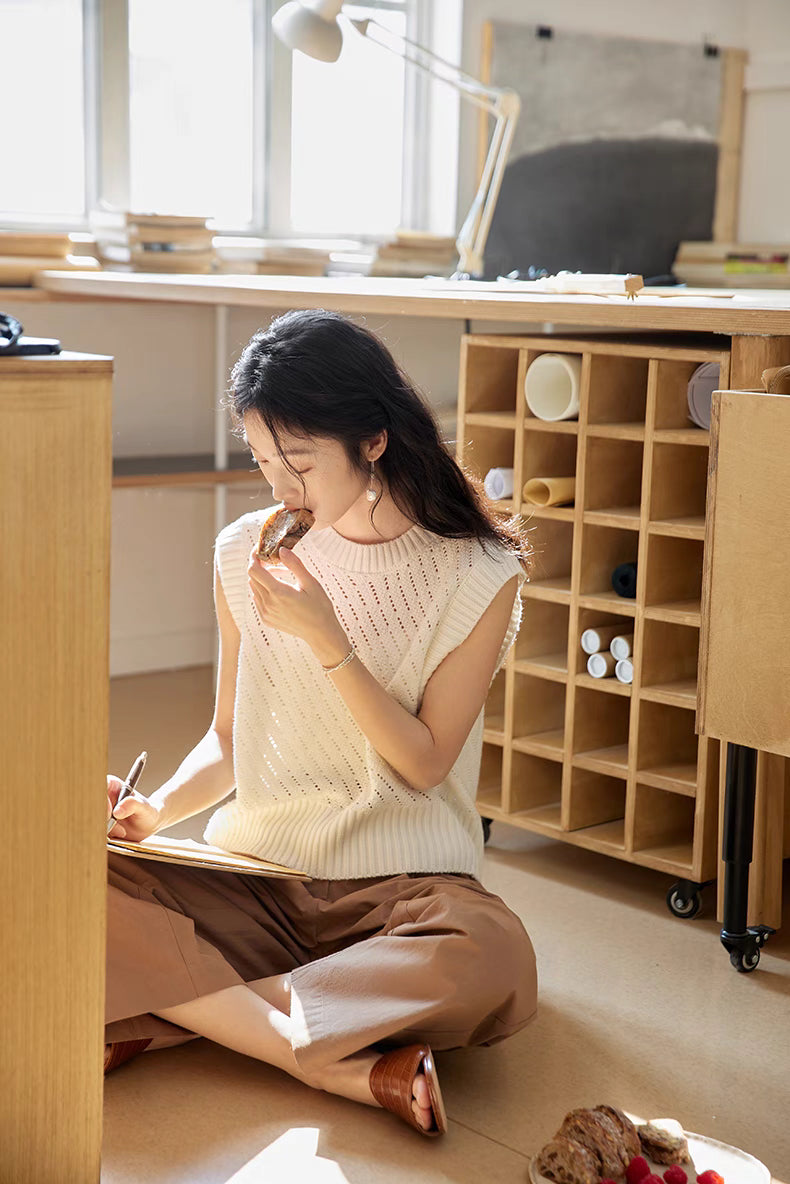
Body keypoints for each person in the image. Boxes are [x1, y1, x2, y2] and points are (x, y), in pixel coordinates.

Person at [104, 309, 538, 1137]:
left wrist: (331, 643)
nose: (280, 489)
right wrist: (154, 811)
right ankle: (336, 1061)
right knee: (68, 878)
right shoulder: (245, 550)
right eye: (264, 462)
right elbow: (230, 738)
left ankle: (178, 1006)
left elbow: (423, 765)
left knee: (493, 956)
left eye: (299, 463)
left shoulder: (477, 572)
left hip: (403, 890)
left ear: (373, 439)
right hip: (260, 878)